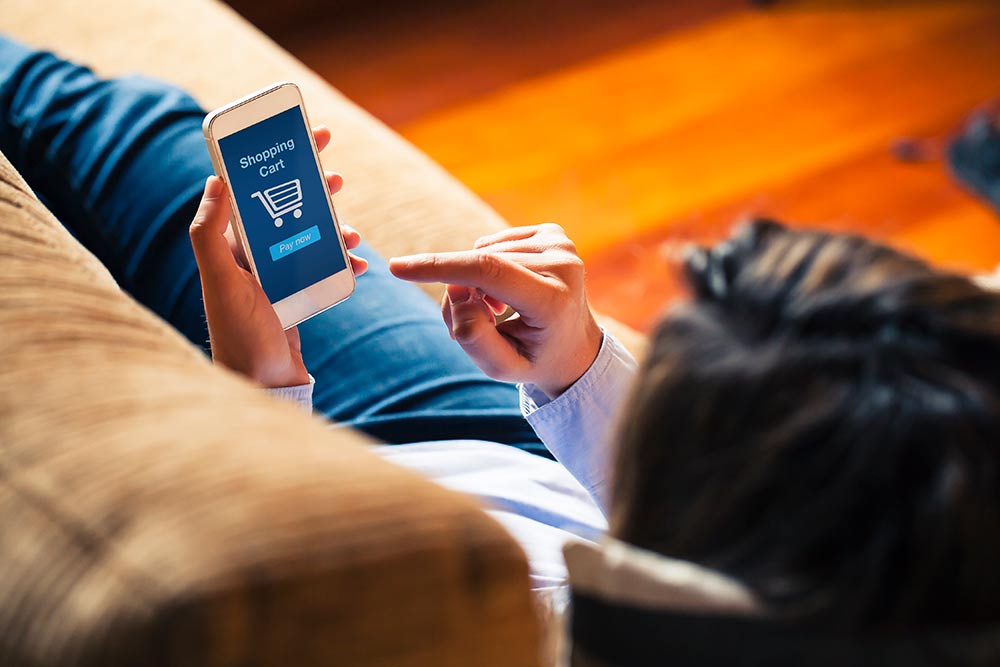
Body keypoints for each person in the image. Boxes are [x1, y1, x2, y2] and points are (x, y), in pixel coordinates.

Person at [4, 37, 1000, 632]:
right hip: (485, 436)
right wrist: (576, 371)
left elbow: (321, 613)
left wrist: (264, 394)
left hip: (344, 495)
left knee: (113, 148)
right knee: (130, 133)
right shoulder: (915, 538)